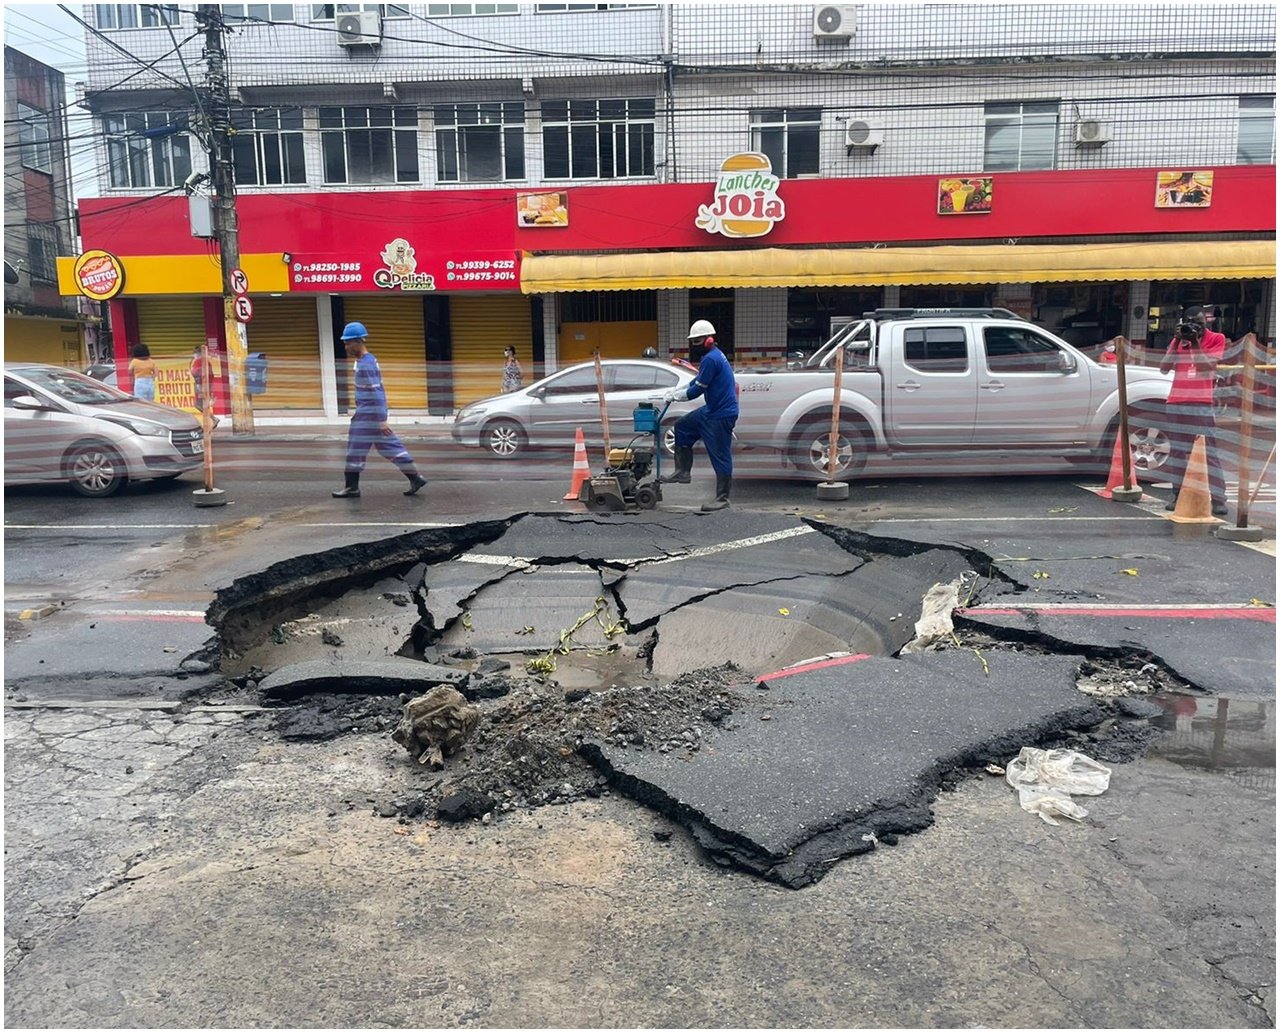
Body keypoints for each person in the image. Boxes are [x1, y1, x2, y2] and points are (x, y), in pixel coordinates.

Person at [331, 321, 428, 498]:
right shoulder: (366, 360)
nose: (346, 347)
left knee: (355, 450)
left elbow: (376, 392)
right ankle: (415, 477)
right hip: (369, 414)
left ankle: (352, 487)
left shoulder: (366, 365)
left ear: (359, 341)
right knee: (391, 448)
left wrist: (381, 419)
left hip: (368, 417)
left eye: (348, 343)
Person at [658, 319, 738, 511]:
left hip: (720, 414)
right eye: (692, 341)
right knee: (683, 426)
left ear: (709, 340)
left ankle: (722, 498)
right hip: (711, 410)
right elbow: (697, 380)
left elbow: (696, 391)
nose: (694, 345)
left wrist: (676, 396)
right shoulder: (712, 356)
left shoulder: (712, 358)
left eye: (697, 341)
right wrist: (679, 388)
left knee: (720, 455)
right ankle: (683, 472)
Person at [1159, 305, 1228, 516]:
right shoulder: (1179, 340)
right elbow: (1164, 368)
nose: (1195, 327)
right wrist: (1178, 341)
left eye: (1199, 323)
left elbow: (1206, 366)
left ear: (1206, 322)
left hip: (1201, 403)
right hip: (1176, 401)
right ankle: (1177, 493)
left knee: (1209, 452)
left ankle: (1218, 498)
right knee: (1178, 451)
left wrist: (1196, 342)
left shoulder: (1217, 338)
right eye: (1191, 323)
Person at [190, 343, 219, 428]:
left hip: (201, 385)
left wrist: (191, 371)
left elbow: (196, 373)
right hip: (207, 385)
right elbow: (211, 374)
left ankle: (212, 419)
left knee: (199, 405)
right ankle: (212, 420)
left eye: (194, 353)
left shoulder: (198, 361)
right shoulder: (207, 361)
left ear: (197, 353)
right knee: (203, 404)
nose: (193, 355)